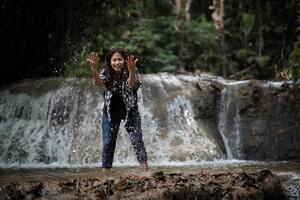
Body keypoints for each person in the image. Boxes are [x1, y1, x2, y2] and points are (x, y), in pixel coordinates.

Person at [87, 48, 148, 170]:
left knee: (137, 139)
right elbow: (99, 83)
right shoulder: (105, 72)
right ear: (110, 61)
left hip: (130, 111)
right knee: (108, 142)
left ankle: (144, 168)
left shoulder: (131, 70)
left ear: (124, 61)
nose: (117, 62)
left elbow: (131, 85)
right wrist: (94, 69)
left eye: (119, 59)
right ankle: (106, 172)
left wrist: (131, 71)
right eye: (114, 60)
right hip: (110, 112)